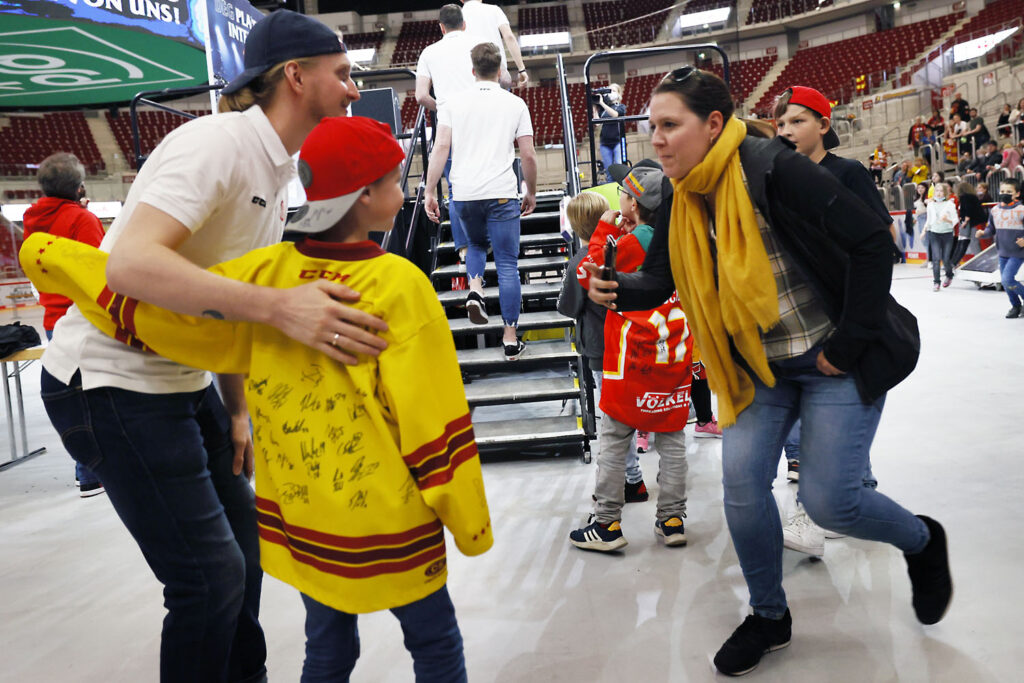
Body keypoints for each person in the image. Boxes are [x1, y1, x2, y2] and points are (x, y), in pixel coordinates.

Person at [23, 116, 494, 682]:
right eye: (395, 181)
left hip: (307, 521)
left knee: (326, 650)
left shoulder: (264, 275)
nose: (404, 192)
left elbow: (165, 318)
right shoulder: (401, 285)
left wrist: (52, 257)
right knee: (435, 642)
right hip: (391, 524)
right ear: (365, 196)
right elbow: (433, 416)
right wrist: (468, 521)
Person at [35, 12, 384, 681]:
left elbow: (222, 300)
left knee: (243, 561)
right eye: (342, 75)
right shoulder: (218, 145)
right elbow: (129, 267)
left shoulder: (279, 172)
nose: (351, 89)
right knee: (208, 578)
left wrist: (238, 408)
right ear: (296, 76)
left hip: (183, 383)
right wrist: (282, 307)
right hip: (109, 382)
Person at [583, 67, 951, 676]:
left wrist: (853, 340)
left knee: (832, 503)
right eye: (653, 128)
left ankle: (922, 540)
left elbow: (870, 243)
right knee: (743, 484)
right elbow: (661, 279)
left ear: (714, 125)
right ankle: (769, 616)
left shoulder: (772, 168)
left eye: (670, 125)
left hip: (832, 359)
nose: (658, 141)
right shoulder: (681, 196)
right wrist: (617, 288)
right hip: (757, 368)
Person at [772, 85, 892, 553]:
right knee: (826, 411)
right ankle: (855, 493)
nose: (786, 131)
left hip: (848, 311)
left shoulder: (847, 172)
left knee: (845, 407)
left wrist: (862, 307)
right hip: (804, 316)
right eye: (781, 124)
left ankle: (838, 503)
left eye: (798, 121)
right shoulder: (778, 179)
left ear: (824, 125)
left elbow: (881, 238)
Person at [569, 162, 693, 552]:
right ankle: (672, 519)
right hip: (672, 350)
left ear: (634, 204)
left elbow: (591, 270)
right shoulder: (672, 234)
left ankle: (606, 523)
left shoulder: (635, 240)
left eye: (623, 193)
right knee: (672, 436)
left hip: (633, 353)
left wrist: (605, 230)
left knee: (614, 436)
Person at [423, 42, 537, 360]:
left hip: (464, 194)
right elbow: (527, 154)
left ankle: (475, 287)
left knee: (474, 246)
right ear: (499, 71)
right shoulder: (515, 104)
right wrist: (531, 191)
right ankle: (510, 339)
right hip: (501, 193)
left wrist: (430, 190)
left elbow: (441, 148)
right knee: (506, 265)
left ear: (472, 71)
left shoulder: (451, 103)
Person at [22, 152, 107, 497]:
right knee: (93, 400)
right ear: (78, 186)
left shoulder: (32, 217)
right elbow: (99, 271)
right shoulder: (81, 219)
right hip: (83, 317)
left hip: (53, 318)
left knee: (75, 397)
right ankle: (90, 474)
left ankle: (86, 471)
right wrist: (83, 213)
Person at [558, 190, 649, 502]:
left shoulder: (579, 265)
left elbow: (569, 307)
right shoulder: (623, 249)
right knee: (624, 415)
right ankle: (629, 477)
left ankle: (631, 480)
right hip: (629, 343)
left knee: (612, 420)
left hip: (600, 350)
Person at [416, 4, 480, 265]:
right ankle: (488, 242)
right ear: (464, 23)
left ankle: (465, 249)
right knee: (488, 179)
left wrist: (442, 106)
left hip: (450, 126)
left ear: (441, 27)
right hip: (481, 118)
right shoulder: (479, 43)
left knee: (456, 188)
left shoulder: (429, 52)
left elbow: (421, 96)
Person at [977, 178, 1024, 318]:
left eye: (1009, 191)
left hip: (1018, 252)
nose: (1005, 194)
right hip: (1002, 251)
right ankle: (1015, 306)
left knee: (1007, 279)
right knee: (1005, 281)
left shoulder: (1021, 210)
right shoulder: (995, 210)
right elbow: (990, 229)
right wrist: (983, 233)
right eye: (1003, 191)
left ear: (1017, 194)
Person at [459, 0, 528, 89]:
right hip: (496, 72)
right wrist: (521, 68)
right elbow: (509, 36)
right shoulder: (494, 10)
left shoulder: (457, 17)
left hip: (469, 75)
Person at [924, 182, 959, 291]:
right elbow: (929, 220)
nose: (939, 193)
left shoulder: (950, 204)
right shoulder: (930, 205)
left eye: (941, 191)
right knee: (935, 258)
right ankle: (936, 282)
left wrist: (947, 220)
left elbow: (955, 220)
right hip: (934, 233)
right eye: (937, 191)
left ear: (945, 192)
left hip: (947, 234)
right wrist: (924, 230)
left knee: (945, 259)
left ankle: (949, 274)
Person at [594, 84, 627, 180]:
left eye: (613, 91)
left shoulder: (621, 106)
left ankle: (621, 189)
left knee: (618, 165)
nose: (611, 93)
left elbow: (615, 115)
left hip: (618, 141)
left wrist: (602, 103)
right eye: (609, 91)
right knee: (608, 170)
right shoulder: (603, 110)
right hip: (605, 142)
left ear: (618, 93)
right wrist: (595, 106)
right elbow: (597, 123)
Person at [953, 181, 986, 267]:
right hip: (977, 221)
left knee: (974, 242)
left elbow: (968, 209)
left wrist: (965, 221)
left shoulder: (965, 197)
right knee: (974, 242)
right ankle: (980, 260)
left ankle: (980, 261)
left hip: (973, 222)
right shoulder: (972, 197)